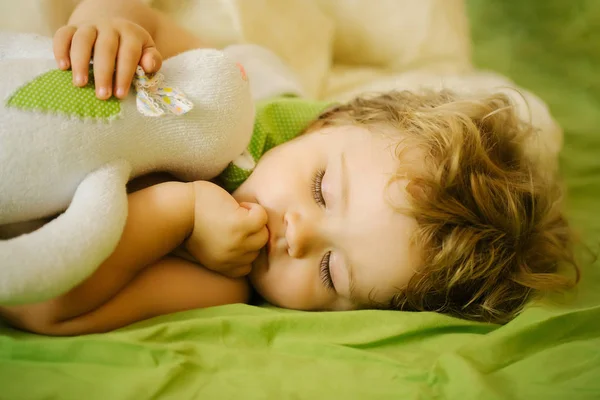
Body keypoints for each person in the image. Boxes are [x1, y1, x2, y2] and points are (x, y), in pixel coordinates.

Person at [0, 0, 579, 335]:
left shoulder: (222, 280)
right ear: (323, 123)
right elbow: (141, 17)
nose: (298, 234)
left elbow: (41, 301)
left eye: (331, 273)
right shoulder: (258, 91)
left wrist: (179, 212)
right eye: (323, 188)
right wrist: (111, 21)